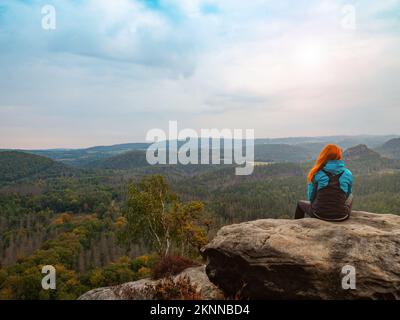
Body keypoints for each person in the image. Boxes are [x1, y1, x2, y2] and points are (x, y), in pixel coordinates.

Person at [295, 144, 353, 221]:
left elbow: (311, 197)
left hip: (318, 214)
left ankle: (298, 226)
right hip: (341, 216)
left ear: (324, 156)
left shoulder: (316, 173)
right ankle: (340, 210)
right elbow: (347, 194)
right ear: (339, 156)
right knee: (351, 196)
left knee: (300, 203)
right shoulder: (347, 173)